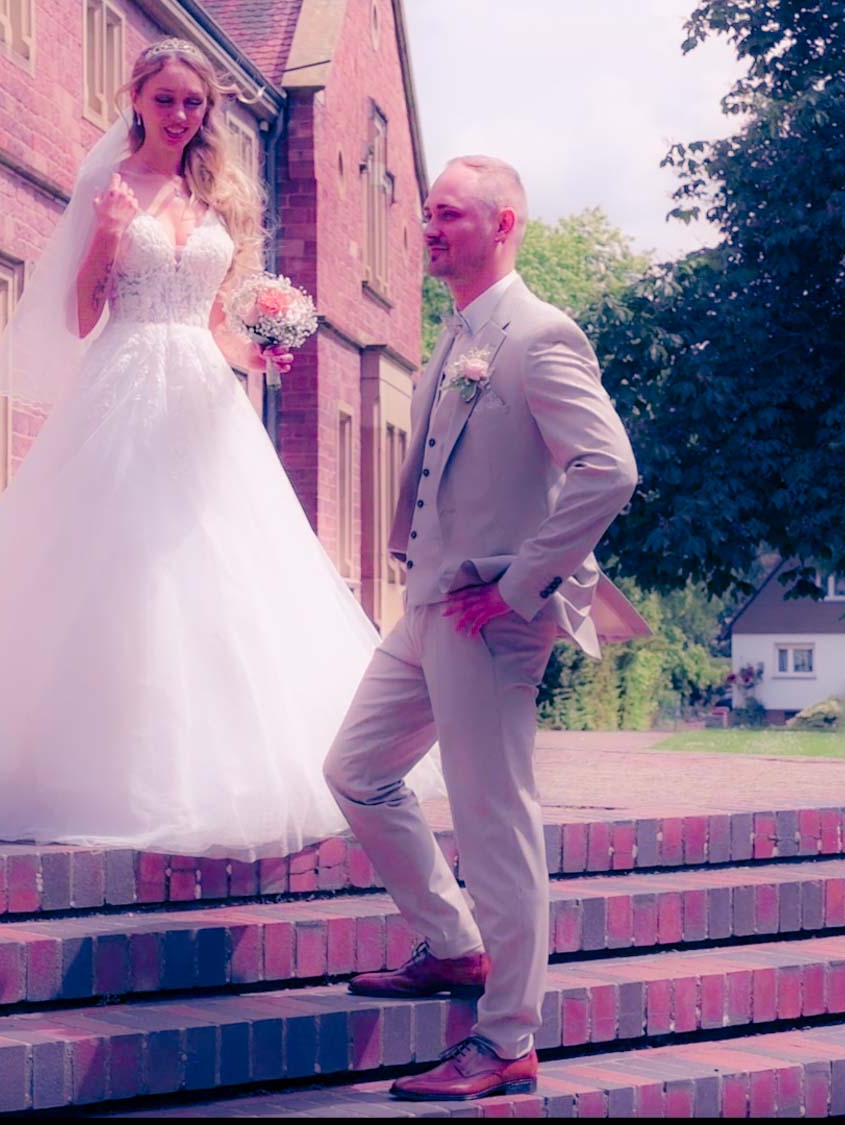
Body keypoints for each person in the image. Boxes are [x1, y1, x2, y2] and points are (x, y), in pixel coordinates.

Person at [0, 39, 440, 854]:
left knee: (221, 567)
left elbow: (215, 321)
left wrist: (257, 353)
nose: (180, 115)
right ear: (137, 99)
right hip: (123, 384)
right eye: (165, 99)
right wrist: (106, 235)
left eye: (194, 102)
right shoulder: (111, 186)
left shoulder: (216, 195)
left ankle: (227, 768)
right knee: (116, 564)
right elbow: (81, 316)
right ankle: (90, 773)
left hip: (205, 397)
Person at [322, 155, 647, 1102]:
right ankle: (454, 943)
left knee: (494, 820)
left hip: (489, 615)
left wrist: (519, 585)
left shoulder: (540, 335)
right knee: (356, 768)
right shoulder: (457, 333)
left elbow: (609, 469)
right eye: (427, 212)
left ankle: (506, 1039)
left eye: (451, 214)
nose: (430, 227)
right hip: (428, 605)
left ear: (503, 225)